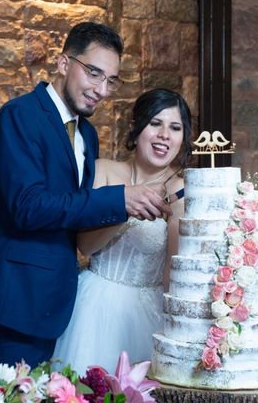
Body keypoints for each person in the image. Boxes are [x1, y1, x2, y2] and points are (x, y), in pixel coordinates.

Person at [0, 22, 172, 373]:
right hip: (13, 306)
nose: (101, 90)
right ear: (64, 63)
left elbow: (76, 220)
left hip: (58, 308)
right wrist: (118, 200)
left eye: (111, 81)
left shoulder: (86, 135)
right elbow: (28, 208)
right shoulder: (20, 116)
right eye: (94, 73)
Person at [53, 88, 192, 373]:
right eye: (155, 123)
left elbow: (175, 272)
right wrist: (125, 209)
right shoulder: (103, 170)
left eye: (175, 128)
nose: (165, 134)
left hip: (146, 314)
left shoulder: (179, 192)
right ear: (136, 128)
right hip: (92, 308)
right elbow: (86, 246)